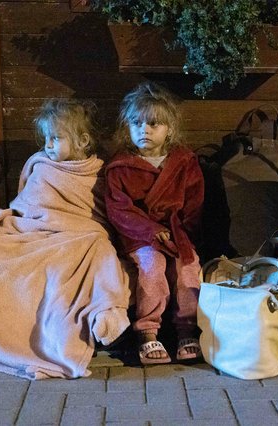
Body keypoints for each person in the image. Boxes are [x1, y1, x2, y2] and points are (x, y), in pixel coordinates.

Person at [0, 99, 131, 379]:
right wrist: (23, 225)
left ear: (82, 141)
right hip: (28, 231)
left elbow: (98, 218)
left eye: (56, 138)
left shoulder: (97, 174)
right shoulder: (42, 166)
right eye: (46, 137)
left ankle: (101, 317)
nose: (47, 144)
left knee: (96, 246)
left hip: (74, 234)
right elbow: (27, 207)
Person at [104, 82, 205, 365]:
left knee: (188, 269)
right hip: (139, 236)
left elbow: (194, 204)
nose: (144, 130)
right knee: (153, 266)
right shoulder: (120, 167)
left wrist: (182, 235)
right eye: (136, 123)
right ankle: (147, 332)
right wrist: (151, 231)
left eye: (153, 124)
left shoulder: (184, 162)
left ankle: (188, 330)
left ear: (169, 129)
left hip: (177, 233)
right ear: (127, 127)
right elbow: (119, 211)